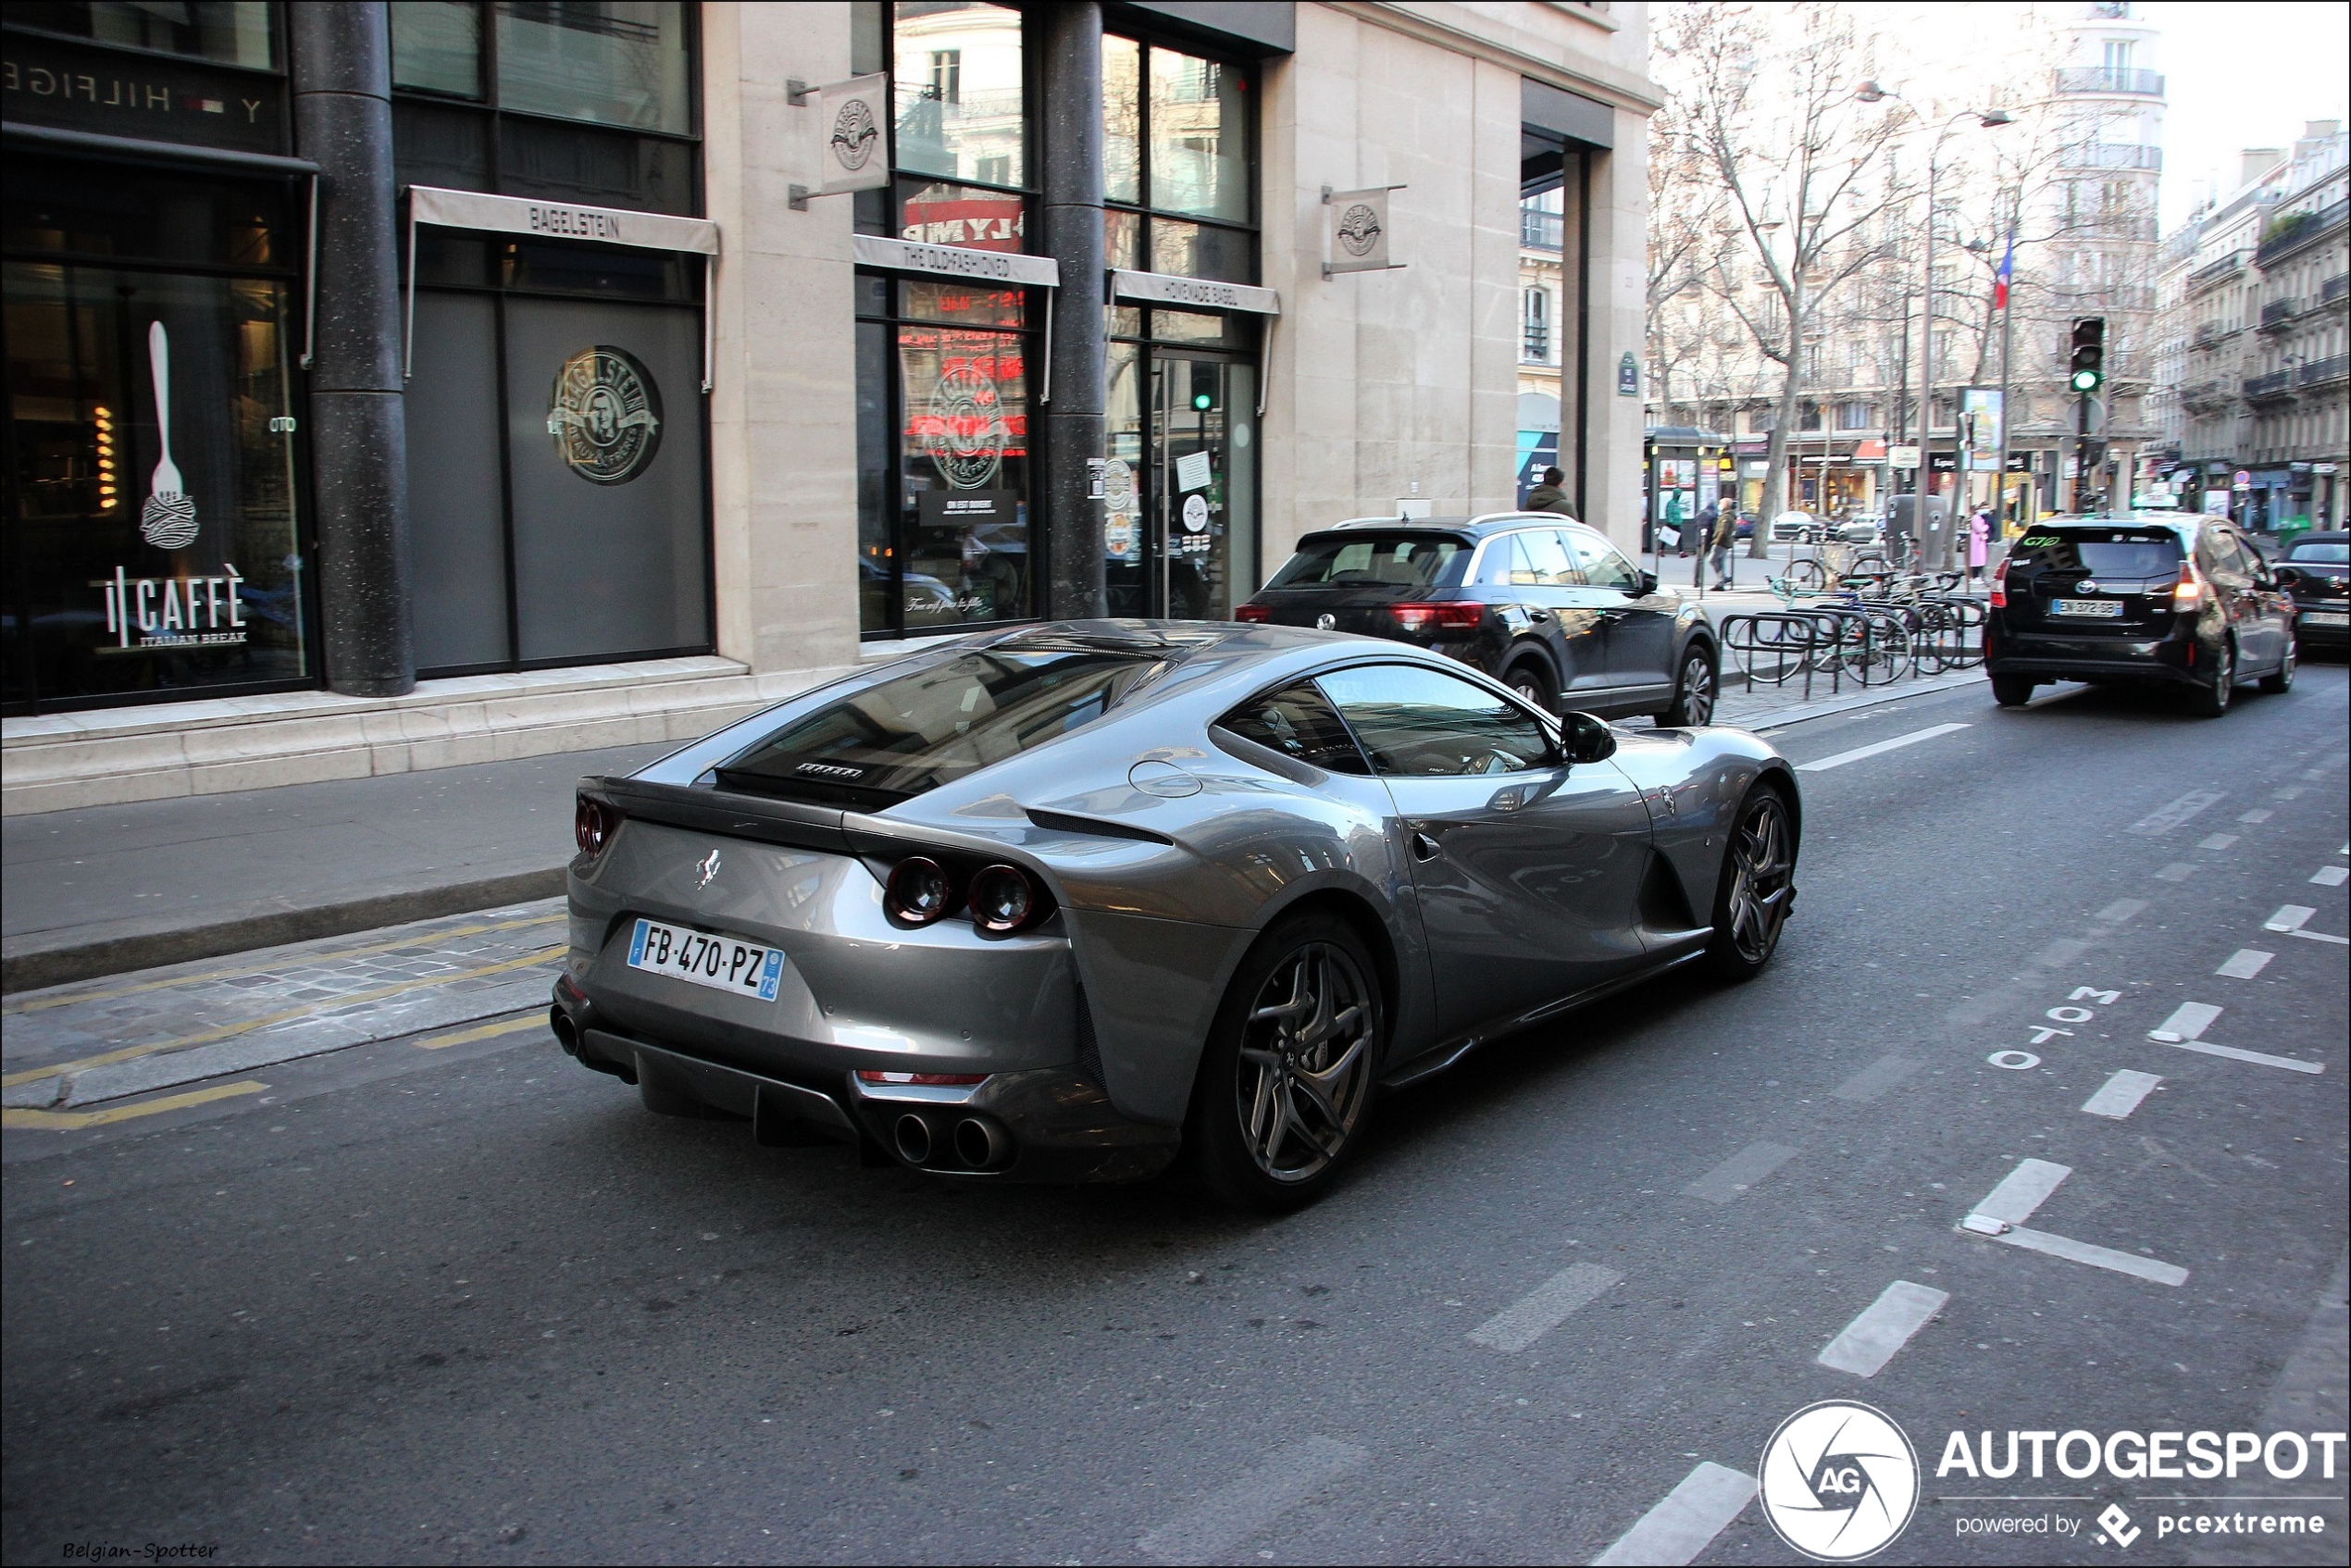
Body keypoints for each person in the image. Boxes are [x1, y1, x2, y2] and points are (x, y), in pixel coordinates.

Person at [1709, 502, 1737, 590]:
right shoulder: (1731, 516)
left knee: (1712, 560)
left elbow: (1723, 531)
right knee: (1720, 562)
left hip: (1721, 543)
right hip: (1726, 543)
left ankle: (1722, 579)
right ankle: (1721, 581)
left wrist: (1717, 541)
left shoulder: (1726, 517)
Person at [1967, 506, 1991, 584]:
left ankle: (1977, 576)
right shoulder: (1975, 518)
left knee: (1980, 559)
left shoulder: (1979, 518)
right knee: (1976, 559)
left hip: (1980, 540)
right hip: (1976, 540)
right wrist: (1986, 527)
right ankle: (1975, 576)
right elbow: (1979, 529)